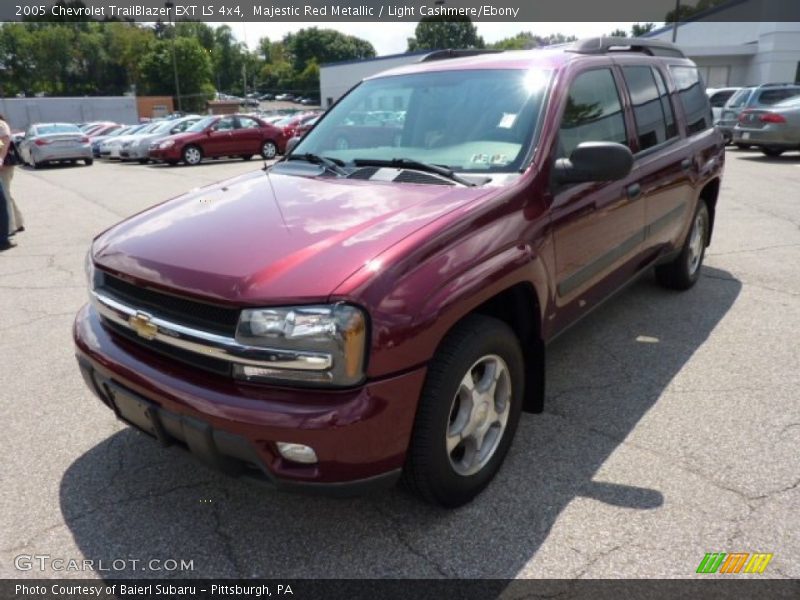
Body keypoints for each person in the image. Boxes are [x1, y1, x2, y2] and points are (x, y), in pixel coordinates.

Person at [0, 113, 23, 250]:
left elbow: (4, 141)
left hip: (4, 166)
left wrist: (0, 158)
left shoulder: (1, 125)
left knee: (4, 197)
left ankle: (8, 229)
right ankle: (17, 222)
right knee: (6, 195)